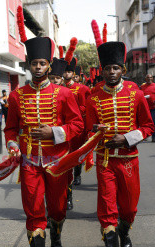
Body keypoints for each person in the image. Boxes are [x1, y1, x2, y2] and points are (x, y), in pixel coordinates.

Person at [5, 7, 83, 247]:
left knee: (58, 208)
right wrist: (13, 144)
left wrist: (55, 131)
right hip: (29, 164)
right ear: (28, 65)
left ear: (49, 66)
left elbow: (77, 125)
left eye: (42, 63)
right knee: (34, 211)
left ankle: (58, 233)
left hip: (57, 162)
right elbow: (10, 128)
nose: (37, 68)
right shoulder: (16, 96)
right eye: (33, 63)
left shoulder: (63, 94)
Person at [86, 40, 154, 247]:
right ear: (102, 71)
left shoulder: (135, 94)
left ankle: (124, 231)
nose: (111, 72)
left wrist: (126, 138)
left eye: (115, 68)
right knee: (106, 211)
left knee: (129, 209)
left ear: (122, 70)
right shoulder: (93, 97)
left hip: (128, 162)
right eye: (107, 69)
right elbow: (87, 129)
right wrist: (94, 130)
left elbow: (148, 126)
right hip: (104, 162)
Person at [63, 39, 91, 205]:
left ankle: (78, 173)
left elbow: (86, 109)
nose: (66, 74)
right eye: (64, 72)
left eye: (69, 72)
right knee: (65, 164)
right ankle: (68, 196)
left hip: (77, 128)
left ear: (73, 74)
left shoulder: (82, 89)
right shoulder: (58, 88)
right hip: (62, 129)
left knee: (76, 156)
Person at [140, 74, 155, 142]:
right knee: (144, 123)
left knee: (154, 122)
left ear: (152, 78)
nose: (149, 79)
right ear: (145, 79)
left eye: (150, 77)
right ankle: (145, 136)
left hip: (153, 107)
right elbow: (138, 95)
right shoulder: (142, 86)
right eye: (148, 78)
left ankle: (154, 137)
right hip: (144, 108)